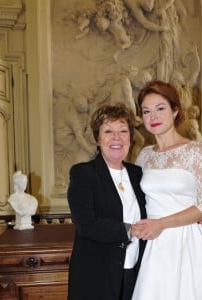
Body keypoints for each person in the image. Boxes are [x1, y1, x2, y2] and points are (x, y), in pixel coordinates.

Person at [131, 81, 202, 299]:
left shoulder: (195, 150)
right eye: (146, 111)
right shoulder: (144, 155)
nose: (153, 116)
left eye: (160, 108)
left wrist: (162, 224)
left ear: (175, 110)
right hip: (153, 244)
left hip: (188, 241)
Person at [67, 103, 147, 300]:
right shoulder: (83, 174)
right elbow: (87, 225)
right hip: (97, 278)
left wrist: (190, 219)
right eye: (108, 131)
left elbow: (157, 208)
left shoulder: (138, 174)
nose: (116, 138)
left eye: (123, 130)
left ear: (130, 137)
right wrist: (131, 230)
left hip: (136, 273)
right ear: (98, 138)